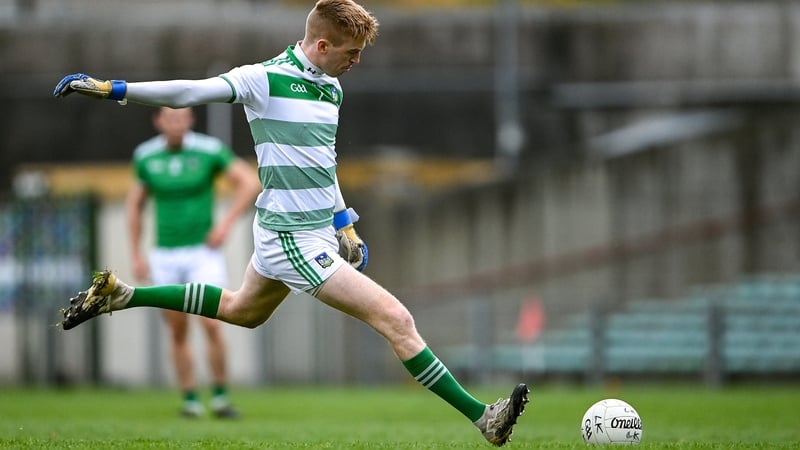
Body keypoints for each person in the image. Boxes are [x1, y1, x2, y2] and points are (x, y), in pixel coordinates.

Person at [54, 0, 529, 445]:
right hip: (291, 237)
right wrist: (113, 89)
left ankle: (124, 295)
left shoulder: (332, 87)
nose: (356, 61)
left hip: (309, 231)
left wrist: (344, 223)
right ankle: (483, 418)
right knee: (396, 319)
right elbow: (190, 92)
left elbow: (323, 161)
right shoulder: (263, 79)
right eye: (351, 52)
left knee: (243, 311)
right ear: (322, 45)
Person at [128, 106, 261, 418]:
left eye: (181, 117)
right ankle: (189, 399)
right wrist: (136, 254)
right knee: (177, 328)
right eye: (169, 117)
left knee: (212, 322)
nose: (175, 123)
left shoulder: (209, 150)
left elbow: (249, 182)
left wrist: (225, 225)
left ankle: (220, 397)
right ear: (158, 121)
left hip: (203, 253)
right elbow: (135, 206)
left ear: (190, 120)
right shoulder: (146, 156)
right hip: (165, 254)